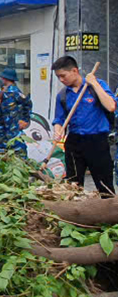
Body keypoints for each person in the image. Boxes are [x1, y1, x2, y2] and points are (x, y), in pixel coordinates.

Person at [51, 56, 116, 196]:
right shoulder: (62, 95)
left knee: (104, 184)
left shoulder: (96, 86)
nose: (61, 80)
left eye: (63, 76)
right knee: (73, 185)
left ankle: (110, 215)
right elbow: (59, 119)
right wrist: (57, 131)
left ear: (74, 71)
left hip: (97, 141)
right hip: (74, 142)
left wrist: (94, 84)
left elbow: (111, 106)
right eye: (58, 77)